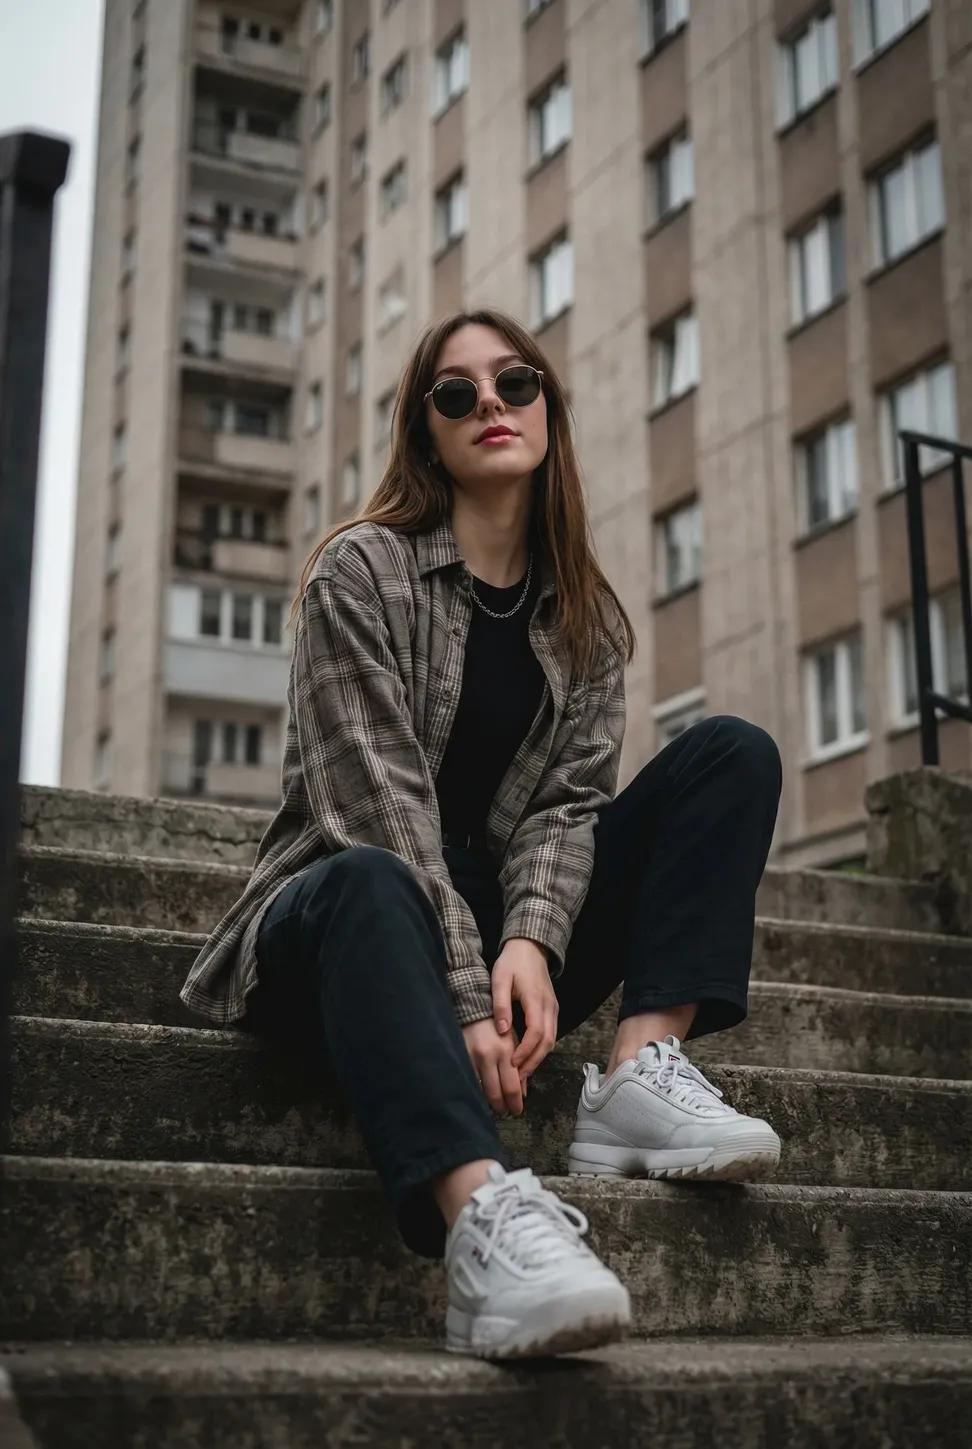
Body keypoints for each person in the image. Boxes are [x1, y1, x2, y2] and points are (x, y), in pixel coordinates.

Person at [179, 307, 784, 1361]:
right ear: (428, 430)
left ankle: (638, 1071)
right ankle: (484, 1223)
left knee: (730, 753)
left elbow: (568, 809)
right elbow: (378, 806)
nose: (490, 404)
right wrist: (467, 986)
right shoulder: (359, 572)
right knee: (376, 876)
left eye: (515, 382)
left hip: (497, 937)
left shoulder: (585, 619)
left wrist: (531, 941)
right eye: (457, 393)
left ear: (548, 406)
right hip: (344, 923)